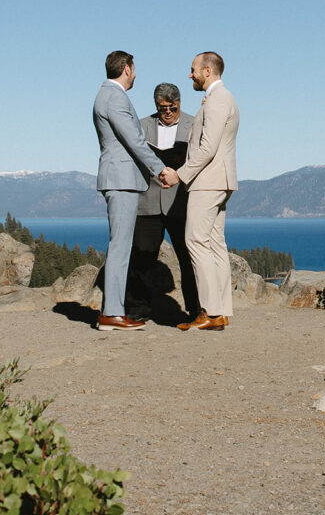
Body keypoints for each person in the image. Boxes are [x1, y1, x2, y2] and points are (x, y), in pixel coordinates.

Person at [161, 52, 239, 331]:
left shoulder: (218, 99)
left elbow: (208, 147)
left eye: (193, 69)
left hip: (208, 181)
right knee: (215, 243)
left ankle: (210, 311)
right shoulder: (219, 99)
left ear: (207, 70)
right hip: (219, 180)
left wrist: (179, 175)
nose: (190, 74)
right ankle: (221, 310)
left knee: (195, 240)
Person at [92, 51, 168, 331]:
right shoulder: (114, 97)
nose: (135, 74)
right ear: (126, 68)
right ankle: (112, 313)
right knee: (121, 247)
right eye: (134, 69)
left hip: (119, 178)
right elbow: (135, 140)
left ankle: (113, 310)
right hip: (121, 179)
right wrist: (160, 169)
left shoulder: (107, 96)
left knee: (120, 245)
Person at [125, 83, 200, 321]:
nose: (167, 112)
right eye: (162, 108)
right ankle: (138, 308)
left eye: (172, 108)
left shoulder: (194, 124)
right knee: (142, 256)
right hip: (148, 201)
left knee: (189, 258)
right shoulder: (142, 125)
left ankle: (196, 308)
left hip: (181, 201)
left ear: (180, 104)